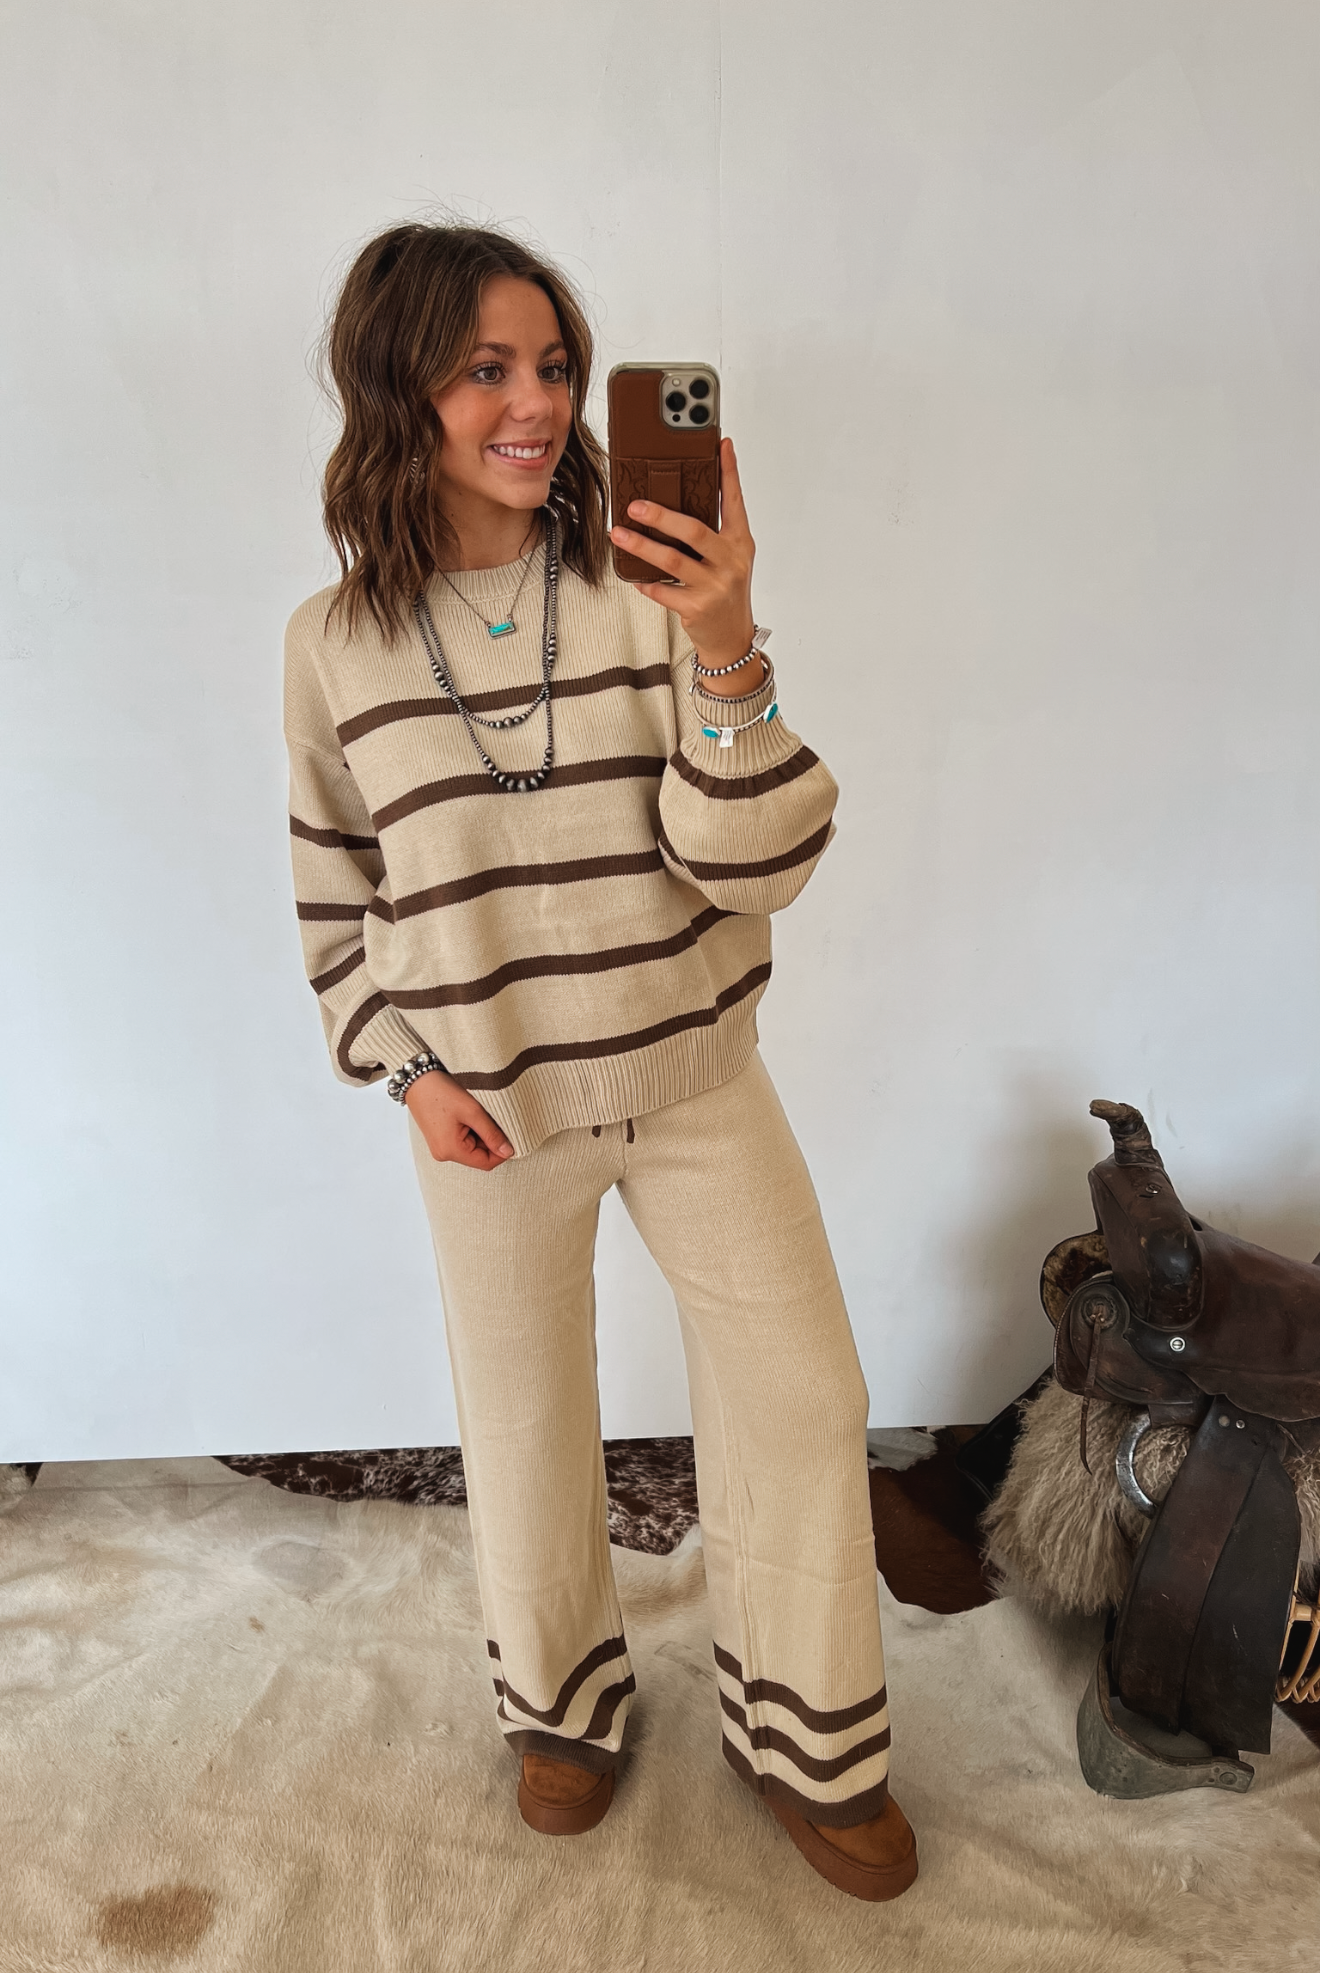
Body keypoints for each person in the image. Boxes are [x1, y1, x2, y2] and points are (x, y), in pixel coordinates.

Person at [282, 221, 917, 1903]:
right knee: (523, 1421)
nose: (538, 403)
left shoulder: (647, 586)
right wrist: (404, 1071)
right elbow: (335, 890)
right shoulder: (330, 644)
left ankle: (810, 1736)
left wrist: (728, 636)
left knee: (805, 1395)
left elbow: (752, 864)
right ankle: (560, 1709)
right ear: (396, 386)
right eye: (486, 367)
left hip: (694, 1073)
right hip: (489, 1108)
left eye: (556, 365)